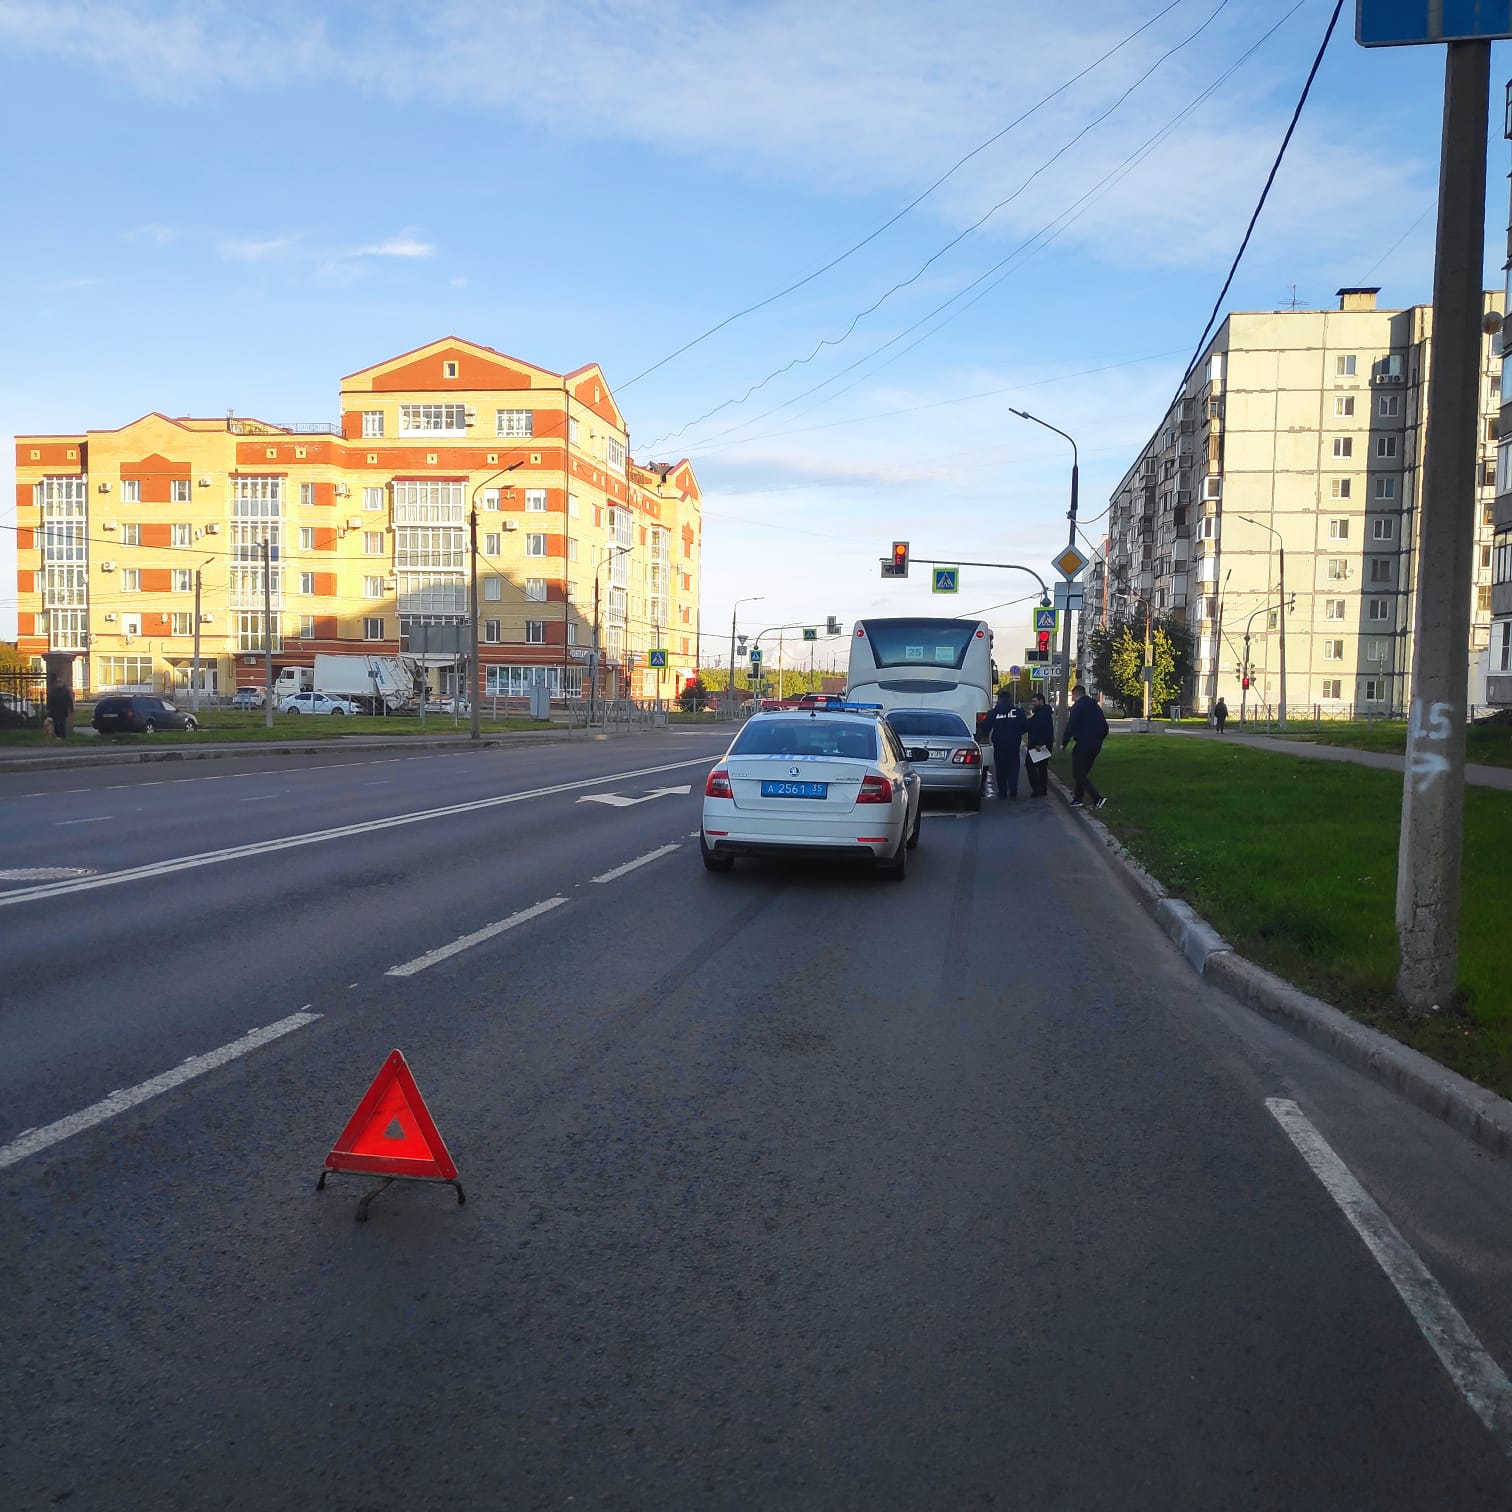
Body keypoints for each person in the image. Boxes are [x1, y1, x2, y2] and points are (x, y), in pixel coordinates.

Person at [1061, 684, 1109, 809]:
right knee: (1082, 773)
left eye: (1073, 697)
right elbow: (1105, 726)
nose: (1072, 699)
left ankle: (1097, 798)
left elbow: (1071, 726)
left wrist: (1063, 743)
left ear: (1076, 694)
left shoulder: (1077, 707)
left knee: (1078, 773)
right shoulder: (1095, 706)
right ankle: (1078, 798)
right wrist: (1099, 738)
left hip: (1084, 743)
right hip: (1097, 744)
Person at [981, 686, 1028, 799]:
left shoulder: (994, 712)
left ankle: (1002, 792)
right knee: (1013, 766)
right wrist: (1018, 733)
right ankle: (1013, 789)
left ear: (1000, 699)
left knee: (1001, 767)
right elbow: (1026, 726)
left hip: (999, 744)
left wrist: (983, 736)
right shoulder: (1017, 712)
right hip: (1013, 743)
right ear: (1009, 699)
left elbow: (985, 727)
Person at [1023, 691, 1054, 797]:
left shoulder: (1042, 713)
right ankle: (1042, 789)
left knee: (1030, 765)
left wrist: (1039, 744)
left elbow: (1044, 729)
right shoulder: (1043, 712)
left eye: (1034, 701)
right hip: (1041, 745)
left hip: (1038, 746)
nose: (1033, 704)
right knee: (1041, 767)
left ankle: (1037, 789)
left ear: (1041, 701)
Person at [45, 676, 73, 741]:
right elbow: (49, 699)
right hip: (54, 710)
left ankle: (62, 736)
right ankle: (58, 735)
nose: (59, 684)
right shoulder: (53, 691)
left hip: (63, 710)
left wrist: (71, 708)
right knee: (55, 724)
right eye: (57, 682)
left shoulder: (65, 691)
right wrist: (48, 707)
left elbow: (69, 700)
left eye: (60, 682)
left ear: (62, 683)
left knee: (62, 723)